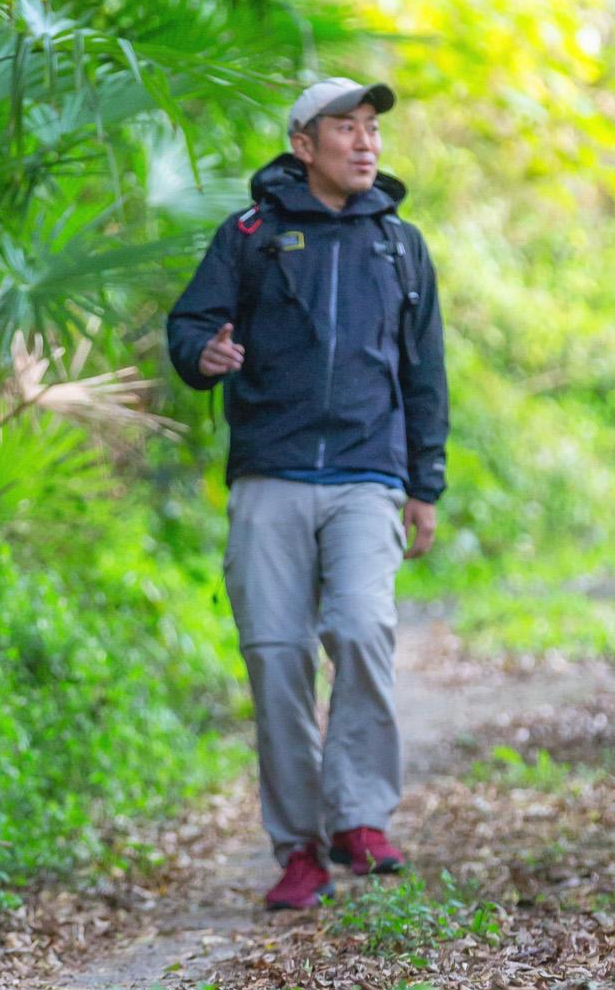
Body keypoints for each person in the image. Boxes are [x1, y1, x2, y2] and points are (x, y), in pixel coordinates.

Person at [166, 77, 448, 910]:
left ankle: (359, 817)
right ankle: (298, 847)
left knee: (362, 628)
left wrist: (423, 485)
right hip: (270, 477)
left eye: (372, 130)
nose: (365, 143)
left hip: (368, 474)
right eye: (346, 129)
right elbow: (190, 325)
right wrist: (203, 356)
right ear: (304, 144)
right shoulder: (249, 235)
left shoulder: (400, 246)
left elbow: (425, 375)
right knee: (276, 659)